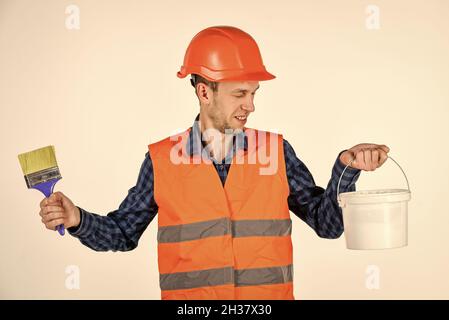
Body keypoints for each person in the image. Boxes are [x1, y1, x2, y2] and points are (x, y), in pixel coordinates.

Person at [38, 26, 390, 300]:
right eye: (240, 93)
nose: (251, 105)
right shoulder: (162, 160)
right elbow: (123, 233)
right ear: (205, 92)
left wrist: (347, 167)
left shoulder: (277, 152)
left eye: (254, 93)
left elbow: (327, 224)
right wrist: (76, 219)